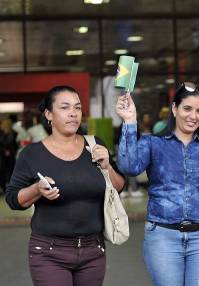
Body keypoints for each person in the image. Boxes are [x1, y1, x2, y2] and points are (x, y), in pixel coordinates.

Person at [115, 81, 199, 286]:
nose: (193, 116)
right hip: (162, 236)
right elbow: (129, 167)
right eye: (187, 108)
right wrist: (129, 121)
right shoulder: (153, 143)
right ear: (174, 108)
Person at [5, 85, 125, 286]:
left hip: (93, 250)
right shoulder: (32, 154)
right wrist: (36, 189)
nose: (73, 113)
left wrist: (106, 167)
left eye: (77, 108)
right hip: (48, 252)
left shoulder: (94, 144)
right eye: (65, 107)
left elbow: (119, 187)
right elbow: (12, 199)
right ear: (49, 114)